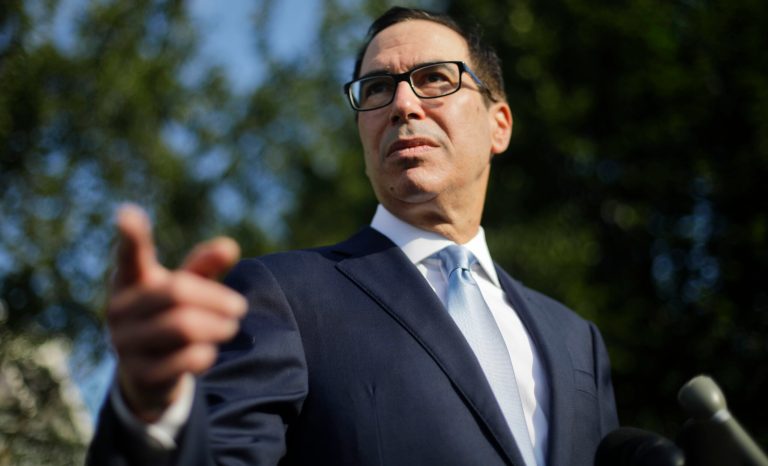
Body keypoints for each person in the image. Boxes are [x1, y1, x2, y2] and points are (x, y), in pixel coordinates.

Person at [88, 6, 618, 466]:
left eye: (436, 78)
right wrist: (151, 411)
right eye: (378, 88)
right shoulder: (287, 296)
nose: (404, 105)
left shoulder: (576, 341)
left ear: (499, 124)